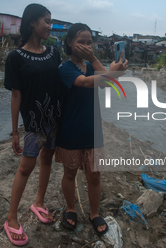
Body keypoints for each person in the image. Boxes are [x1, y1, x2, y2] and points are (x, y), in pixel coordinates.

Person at [55, 23, 128, 236]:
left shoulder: (90, 64)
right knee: (70, 173)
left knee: (94, 175)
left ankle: (94, 213)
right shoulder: (64, 68)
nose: (86, 46)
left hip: (93, 131)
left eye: (89, 42)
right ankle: (71, 208)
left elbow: (107, 82)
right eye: (81, 42)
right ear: (69, 42)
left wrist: (103, 65)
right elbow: (87, 83)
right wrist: (112, 74)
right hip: (70, 131)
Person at [3, 3, 62, 246]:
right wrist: (15, 130)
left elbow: (60, 83)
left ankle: (38, 202)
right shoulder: (15, 58)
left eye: (51, 21)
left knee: (47, 159)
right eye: (46, 21)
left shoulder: (54, 52)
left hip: (55, 119)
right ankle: (11, 218)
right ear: (32, 23)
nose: (50, 25)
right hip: (34, 123)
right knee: (26, 167)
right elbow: (16, 95)